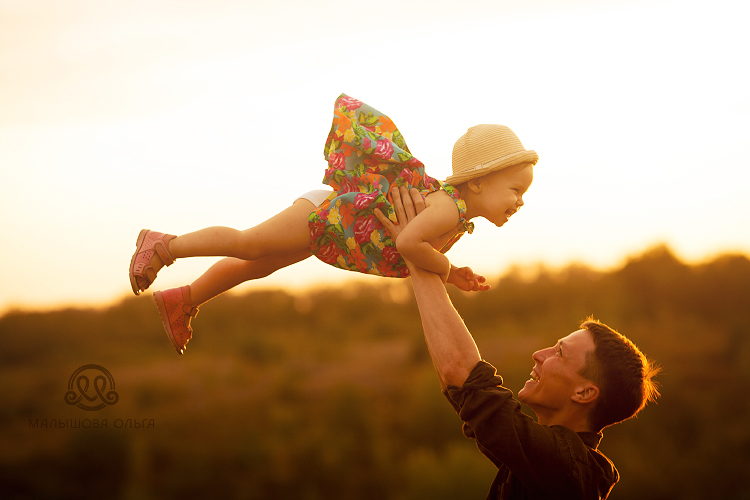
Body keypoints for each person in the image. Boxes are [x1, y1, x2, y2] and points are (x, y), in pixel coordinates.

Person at [129, 93, 538, 354]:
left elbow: (412, 244)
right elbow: (409, 243)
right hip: (327, 215)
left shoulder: (456, 213)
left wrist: (449, 270)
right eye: (515, 190)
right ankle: (165, 245)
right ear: (478, 182)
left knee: (257, 264)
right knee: (248, 244)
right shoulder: (449, 208)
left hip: (333, 224)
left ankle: (185, 299)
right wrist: (448, 270)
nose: (520, 201)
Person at [375, 187, 661, 500]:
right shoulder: (547, 465)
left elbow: (462, 374)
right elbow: (462, 391)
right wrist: (421, 253)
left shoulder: (564, 469)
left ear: (584, 393)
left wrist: (417, 252)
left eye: (559, 353)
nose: (539, 355)